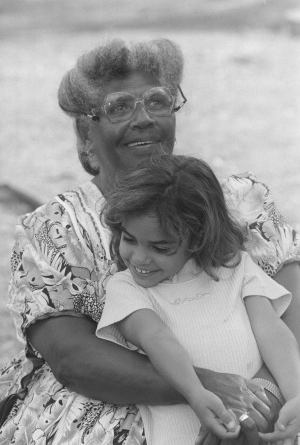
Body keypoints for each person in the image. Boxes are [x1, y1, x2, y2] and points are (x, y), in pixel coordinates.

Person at [0, 37, 299, 445]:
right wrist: (202, 389)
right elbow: (73, 358)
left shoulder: (239, 202)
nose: (143, 119)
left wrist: (259, 398)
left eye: (157, 101)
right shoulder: (55, 228)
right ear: (87, 130)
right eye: (119, 107)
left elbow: (291, 304)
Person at [96, 154, 300, 445]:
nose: (139, 257)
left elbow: (271, 330)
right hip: (182, 433)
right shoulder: (126, 287)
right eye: (129, 239)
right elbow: (156, 338)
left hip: (261, 432)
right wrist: (195, 392)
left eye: (159, 246)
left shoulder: (235, 267)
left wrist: (295, 394)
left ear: (196, 238)